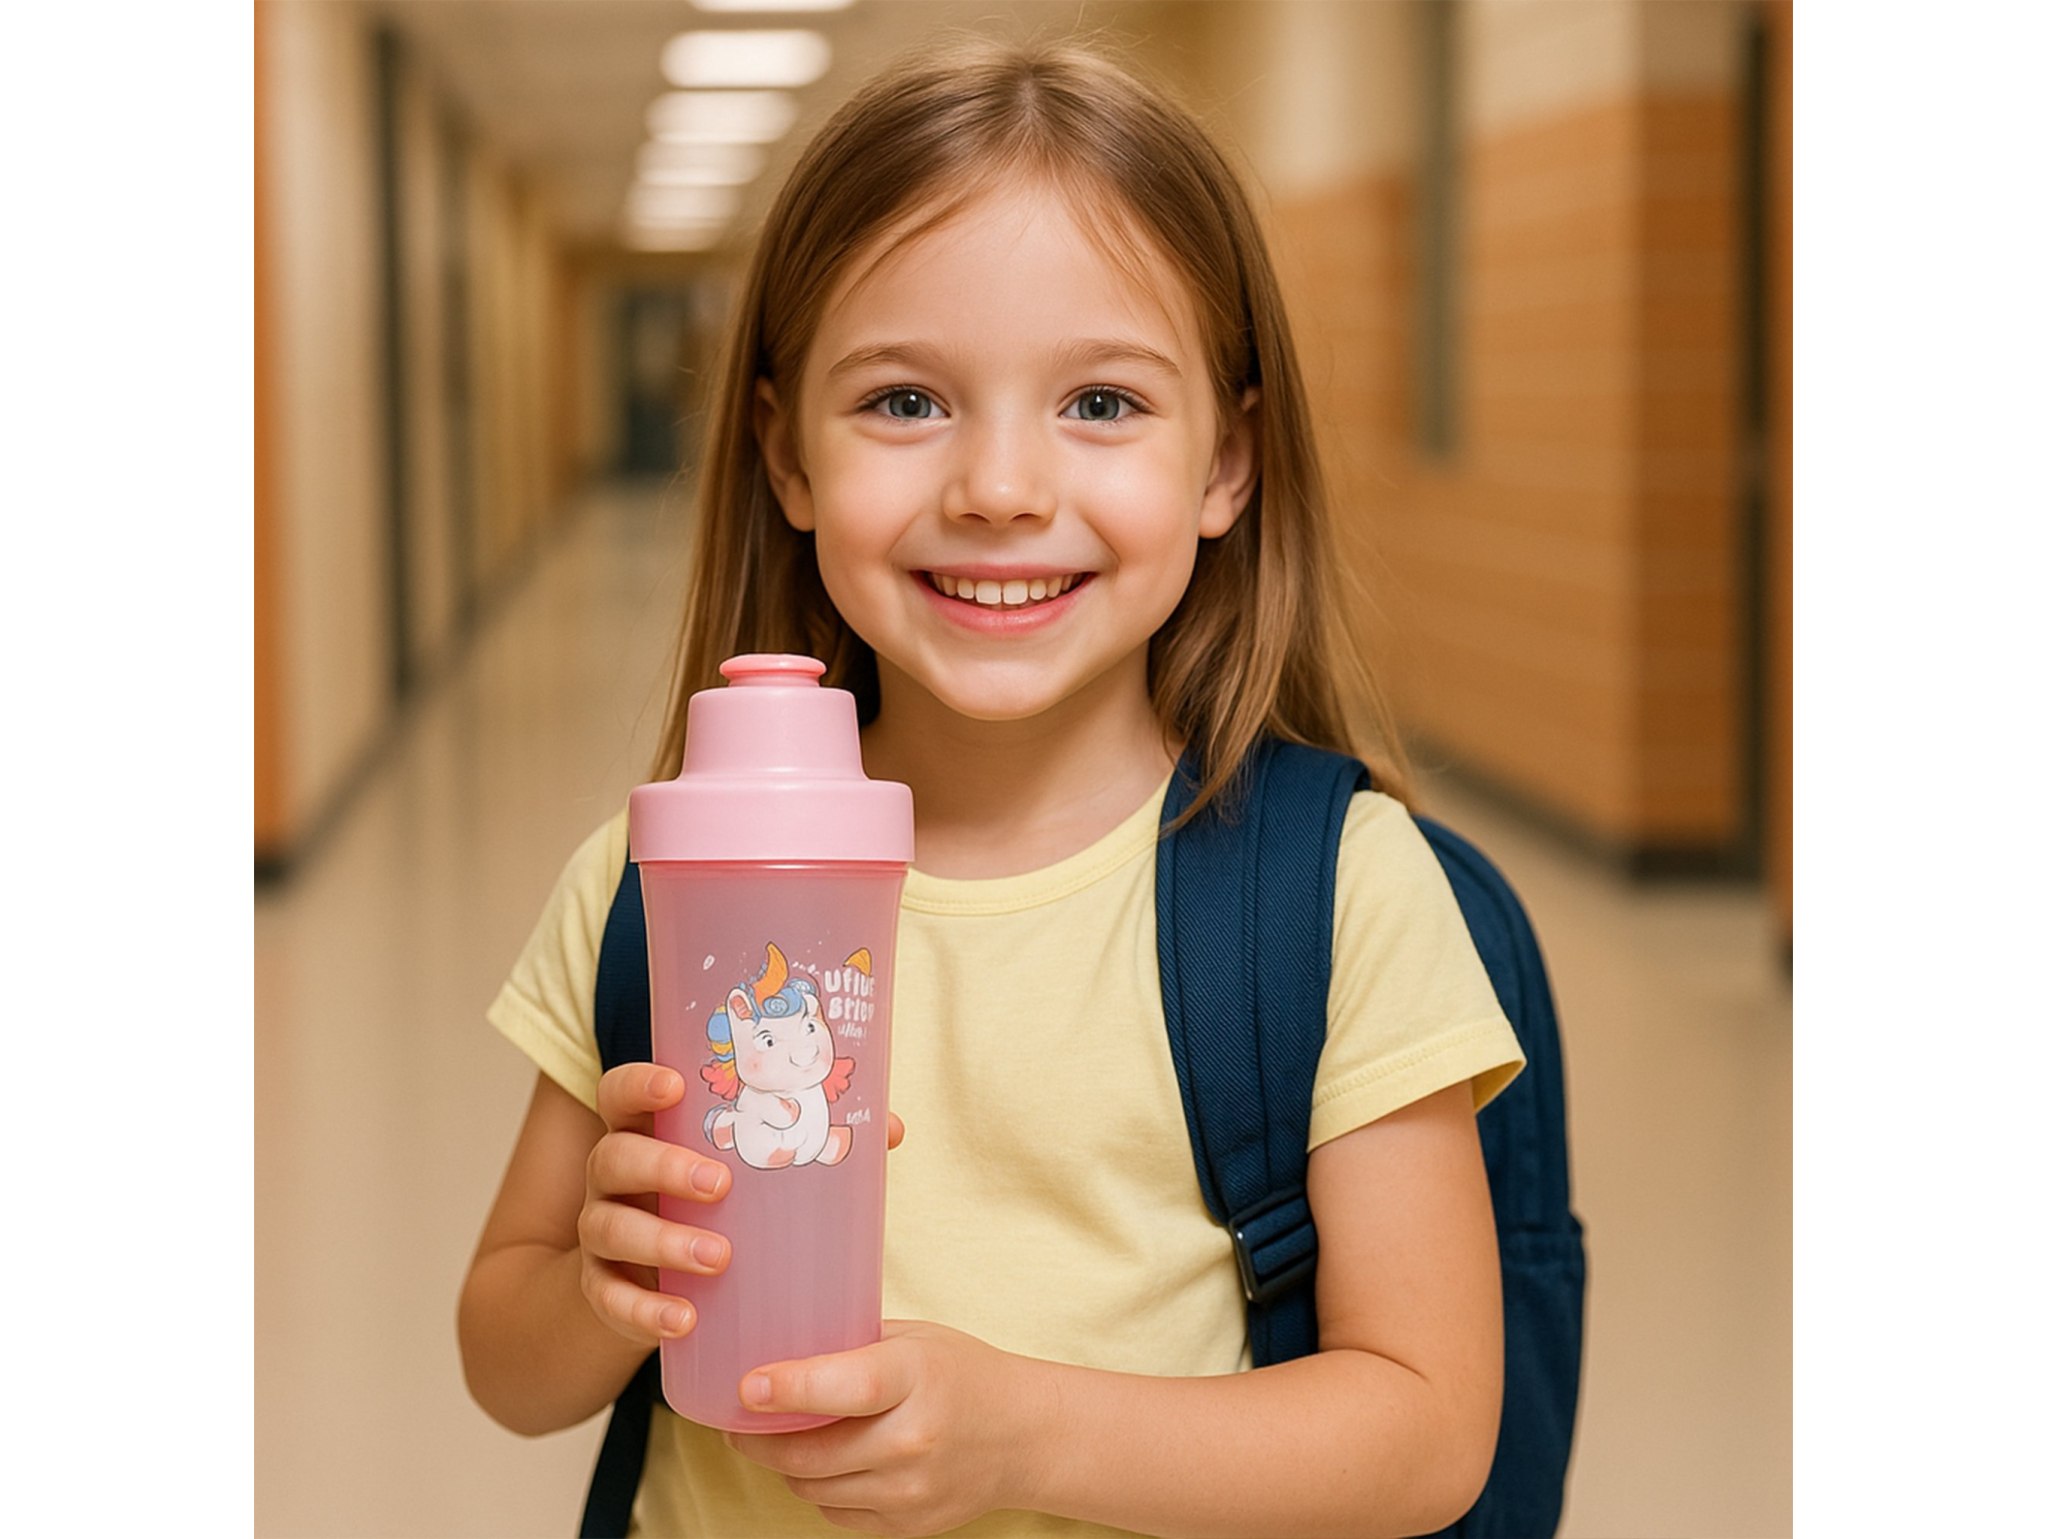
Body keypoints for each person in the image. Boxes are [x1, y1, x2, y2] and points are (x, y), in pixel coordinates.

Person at [458, 37, 1526, 1539]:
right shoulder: (664, 886)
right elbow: (505, 1357)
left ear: (1229, 460)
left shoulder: (1335, 894)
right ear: (786, 455)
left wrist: (1027, 1441)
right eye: (905, 402)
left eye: (1101, 404)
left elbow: (1425, 1431)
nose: (1002, 488)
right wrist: (602, 1289)